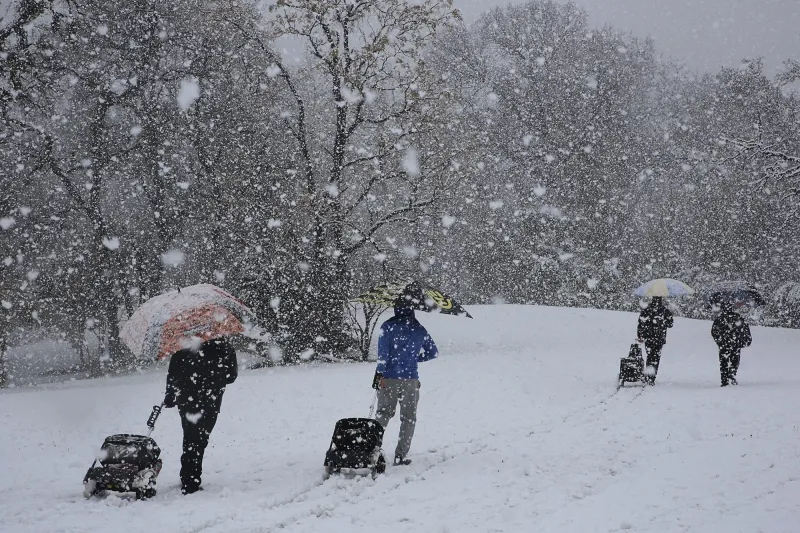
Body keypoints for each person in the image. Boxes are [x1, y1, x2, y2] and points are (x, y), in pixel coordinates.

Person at [163, 336, 238, 494]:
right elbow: (231, 377)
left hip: (187, 401)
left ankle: (188, 476)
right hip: (211, 401)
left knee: (190, 438)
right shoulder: (223, 348)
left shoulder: (181, 349)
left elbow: (173, 376)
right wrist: (215, 378)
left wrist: (170, 396)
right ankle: (191, 479)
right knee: (200, 439)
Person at [371, 306, 438, 466]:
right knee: (408, 419)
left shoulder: (387, 326)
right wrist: (414, 358)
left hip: (388, 378)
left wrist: (379, 374)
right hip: (410, 380)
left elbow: (383, 355)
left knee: (382, 414)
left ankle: (371, 450)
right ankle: (400, 455)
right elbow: (433, 352)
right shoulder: (419, 329)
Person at [711, 302, 752, 387]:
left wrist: (719, 341)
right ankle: (732, 375)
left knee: (723, 363)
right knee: (735, 361)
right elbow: (745, 330)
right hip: (735, 344)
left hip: (724, 345)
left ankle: (724, 380)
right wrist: (743, 341)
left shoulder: (720, 319)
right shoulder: (738, 318)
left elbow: (714, 332)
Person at [636, 296, 674, 385]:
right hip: (659, 338)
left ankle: (648, 375)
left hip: (648, 337)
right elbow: (670, 324)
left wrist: (640, 335)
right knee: (656, 357)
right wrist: (664, 321)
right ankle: (652, 377)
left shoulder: (647, 310)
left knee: (649, 356)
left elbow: (641, 323)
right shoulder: (665, 311)